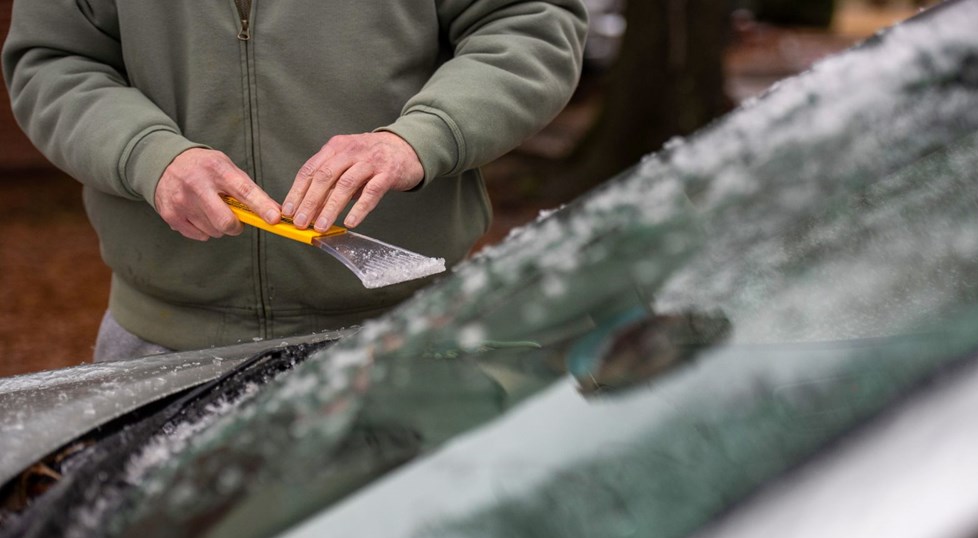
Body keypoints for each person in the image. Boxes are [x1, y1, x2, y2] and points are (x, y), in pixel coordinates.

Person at [2, 1, 588, 360]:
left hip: (408, 338)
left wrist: (421, 136)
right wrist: (147, 155)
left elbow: (529, 23)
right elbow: (53, 60)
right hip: (160, 340)